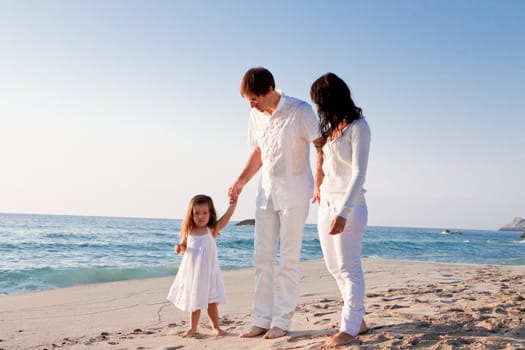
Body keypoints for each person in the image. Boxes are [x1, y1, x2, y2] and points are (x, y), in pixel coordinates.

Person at [228, 67, 322, 339]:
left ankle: (281, 321)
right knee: (262, 258)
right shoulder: (255, 115)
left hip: (294, 193)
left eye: (254, 99)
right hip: (265, 194)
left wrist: (320, 181)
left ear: (269, 91)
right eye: (247, 100)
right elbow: (259, 150)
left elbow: (320, 145)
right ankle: (260, 319)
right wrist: (240, 181)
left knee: (289, 260)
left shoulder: (300, 111)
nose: (251, 105)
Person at [310, 73, 371, 349]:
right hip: (326, 203)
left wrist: (344, 212)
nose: (318, 107)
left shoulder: (359, 127)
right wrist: (317, 188)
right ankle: (357, 319)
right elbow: (324, 165)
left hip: (351, 204)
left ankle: (349, 328)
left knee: (349, 267)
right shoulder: (332, 129)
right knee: (333, 267)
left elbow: (358, 173)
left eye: (320, 101)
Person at [166, 194, 237, 337]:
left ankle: (215, 327)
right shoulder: (189, 231)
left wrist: (233, 205)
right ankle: (193, 328)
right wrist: (179, 247)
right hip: (195, 274)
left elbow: (227, 218)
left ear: (210, 214)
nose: (201, 216)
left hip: (209, 273)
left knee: (212, 302)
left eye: (205, 213)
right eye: (197, 213)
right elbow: (183, 246)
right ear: (191, 214)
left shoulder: (212, 230)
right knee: (195, 301)